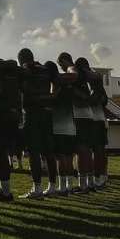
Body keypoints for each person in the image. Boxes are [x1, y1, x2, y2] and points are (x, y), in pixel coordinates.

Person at [17, 48, 59, 198]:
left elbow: (23, 87)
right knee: (49, 152)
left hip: (33, 112)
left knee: (34, 151)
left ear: (21, 59)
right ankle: (53, 186)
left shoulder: (25, 69)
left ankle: (37, 188)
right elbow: (58, 84)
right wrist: (51, 97)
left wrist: (32, 95)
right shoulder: (46, 69)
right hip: (47, 112)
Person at [0, 51, 23, 202]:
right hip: (13, 117)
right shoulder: (11, 72)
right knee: (0, 155)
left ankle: (6, 193)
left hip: (1, 117)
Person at [59, 52, 95, 194]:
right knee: (86, 150)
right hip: (88, 114)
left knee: (80, 151)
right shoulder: (85, 74)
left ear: (63, 61)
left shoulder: (71, 69)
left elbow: (72, 75)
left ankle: (83, 185)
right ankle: (90, 183)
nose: (61, 68)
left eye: (60, 64)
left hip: (79, 114)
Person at [76, 57, 109, 189]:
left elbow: (97, 100)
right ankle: (100, 176)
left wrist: (86, 99)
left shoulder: (91, 79)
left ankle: (98, 177)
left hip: (95, 119)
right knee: (97, 150)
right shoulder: (95, 79)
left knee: (96, 150)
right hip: (98, 119)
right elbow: (104, 100)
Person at [50, 56, 78, 196]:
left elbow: (53, 98)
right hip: (70, 125)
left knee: (61, 157)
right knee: (68, 157)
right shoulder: (71, 83)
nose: (61, 67)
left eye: (61, 64)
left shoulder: (57, 82)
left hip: (59, 124)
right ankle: (69, 186)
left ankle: (62, 187)